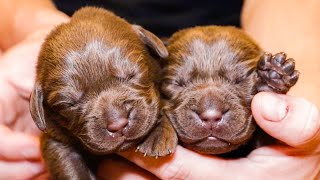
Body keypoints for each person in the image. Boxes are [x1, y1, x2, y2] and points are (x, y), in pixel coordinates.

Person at [0, 0, 319, 179]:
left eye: (132, 77)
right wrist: (30, 28)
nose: (116, 121)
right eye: (177, 84)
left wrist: (302, 102)